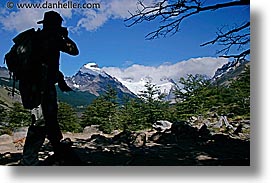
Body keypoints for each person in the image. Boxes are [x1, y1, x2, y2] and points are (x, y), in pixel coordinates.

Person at [20, 11, 79, 165]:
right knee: (41, 122)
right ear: (55, 25)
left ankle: (58, 152)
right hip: (40, 88)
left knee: (48, 120)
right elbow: (74, 51)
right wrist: (65, 36)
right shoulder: (53, 39)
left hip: (37, 87)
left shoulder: (37, 38)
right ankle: (29, 161)